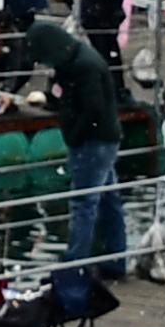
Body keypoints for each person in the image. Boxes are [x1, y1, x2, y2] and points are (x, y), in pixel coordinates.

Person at [22, 15, 124, 277]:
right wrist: (49, 99)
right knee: (108, 199)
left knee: (84, 203)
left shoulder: (84, 66)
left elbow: (92, 109)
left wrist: (75, 136)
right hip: (101, 138)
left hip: (94, 141)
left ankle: (76, 263)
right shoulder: (70, 62)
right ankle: (115, 257)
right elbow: (67, 98)